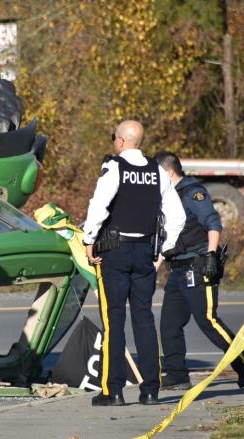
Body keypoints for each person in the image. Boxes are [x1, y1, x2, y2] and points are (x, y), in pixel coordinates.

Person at [82, 120, 186, 407]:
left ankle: (112, 391)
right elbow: (177, 217)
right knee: (144, 319)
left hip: (113, 253)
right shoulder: (157, 171)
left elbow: (98, 206)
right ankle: (150, 390)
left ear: (120, 141)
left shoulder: (114, 167)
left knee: (113, 321)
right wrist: (163, 250)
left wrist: (89, 239)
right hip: (145, 253)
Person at [154, 151, 244, 390]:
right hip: (177, 269)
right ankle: (177, 375)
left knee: (208, 320)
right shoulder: (168, 196)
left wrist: (211, 255)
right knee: (169, 324)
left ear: (169, 171)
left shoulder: (193, 192)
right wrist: (154, 269)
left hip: (199, 265)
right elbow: (166, 238)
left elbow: (213, 223)